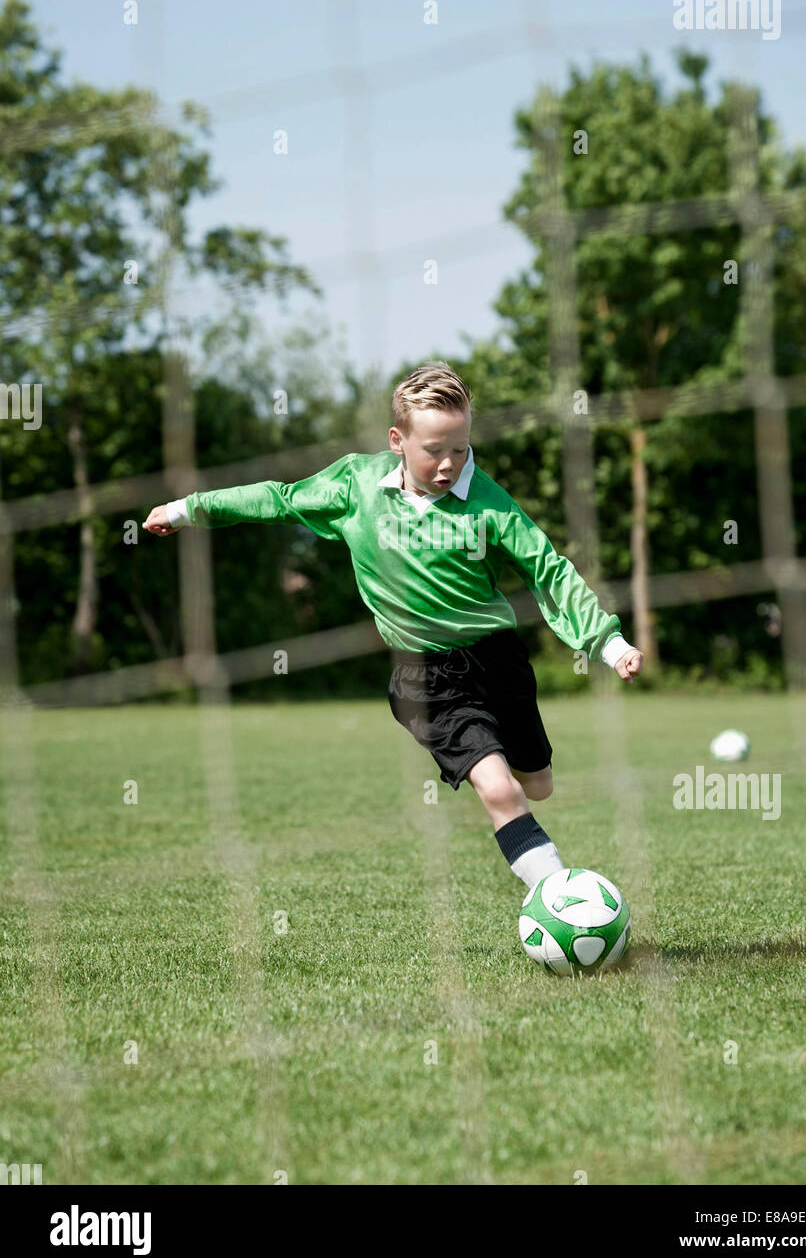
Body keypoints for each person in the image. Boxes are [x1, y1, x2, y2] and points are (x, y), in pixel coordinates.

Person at [144, 361, 643, 891]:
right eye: (434, 450)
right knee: (500, 791)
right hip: (427, 677)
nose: (450, 463)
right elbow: (277, 499)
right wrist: (185, 509)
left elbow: (549, 569)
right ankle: (561, 896)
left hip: (498, 661)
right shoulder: (356, 485)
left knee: (537, 785)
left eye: (461, 447)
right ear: (397, 440)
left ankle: (533, 829)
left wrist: (606, 643)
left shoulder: (489, 504)